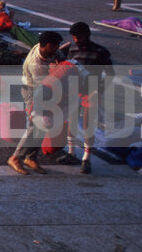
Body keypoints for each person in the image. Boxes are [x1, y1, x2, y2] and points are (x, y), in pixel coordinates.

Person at [56, 22, 112, 174]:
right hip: (75, 90)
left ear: (87, 35)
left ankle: (86, 159)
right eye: (74, 37)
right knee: (72, 122)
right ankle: (72, 153)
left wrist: (99, 92)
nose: (76, 40)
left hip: (92, 92)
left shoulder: (101, 52)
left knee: (87, 125)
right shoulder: (72, 50)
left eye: (79, 37)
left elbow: (110, 74)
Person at [7, 30, 63, 175]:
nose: (57, 50)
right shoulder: (36, 65)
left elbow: (61, 58)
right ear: (49, 45)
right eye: (56, 47)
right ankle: (15, 157)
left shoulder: (44, 49)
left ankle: (30, 157)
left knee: (43, 126)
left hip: (45, 90)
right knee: (35, 125)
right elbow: (42, 89)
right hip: (33, 93)